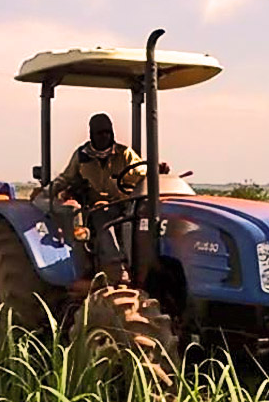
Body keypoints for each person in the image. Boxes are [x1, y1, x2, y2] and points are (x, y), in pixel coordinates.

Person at [32, 113, 169, 283]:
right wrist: (48, 192)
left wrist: (156, 170)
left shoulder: (124, 154)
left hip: (125, 204)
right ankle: (116, 271)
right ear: (91, 134)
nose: (105, 136)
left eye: (107, 132)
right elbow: (66, 178)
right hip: (95, 207)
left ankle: (147, 269)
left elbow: (141, 172)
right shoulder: (82, 156)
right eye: (100, 133)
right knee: (105, 219)